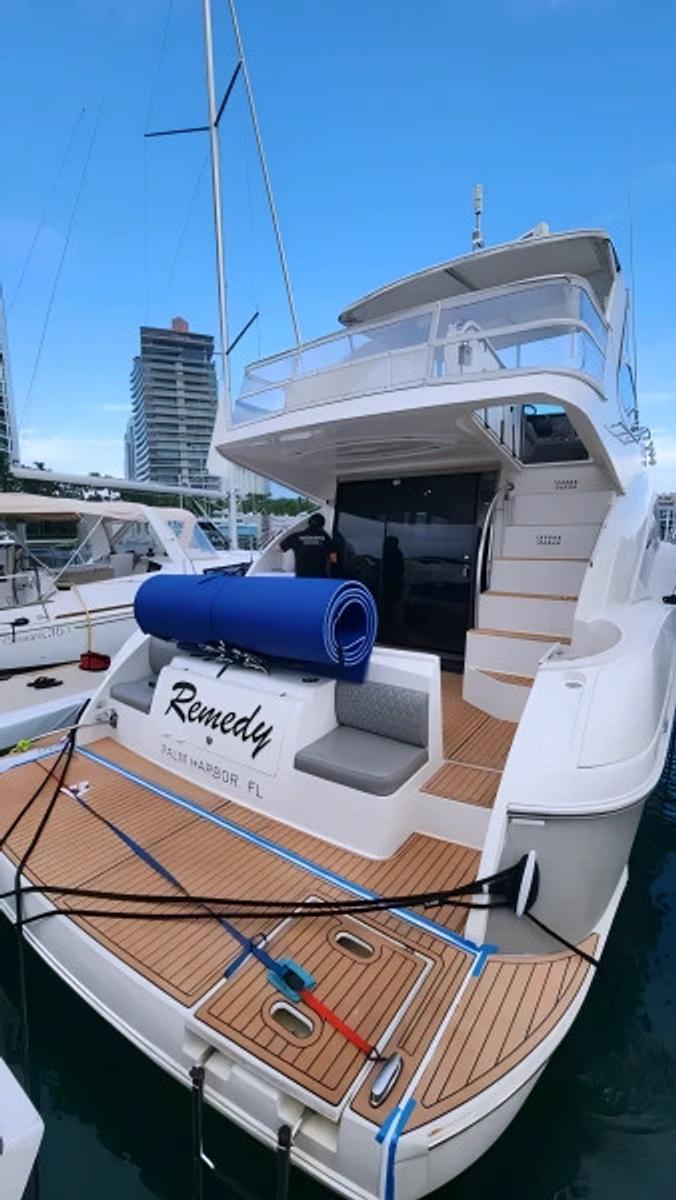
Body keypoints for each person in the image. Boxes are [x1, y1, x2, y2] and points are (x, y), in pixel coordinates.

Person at [280, 513, 337, 578]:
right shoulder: (326, 538)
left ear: (309, 523)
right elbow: (333, 557)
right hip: (320, 577)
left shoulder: (296, 536)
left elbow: (279, 548)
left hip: (302, 577)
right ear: (322, 525)